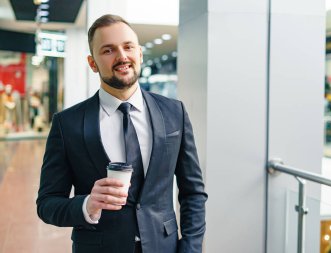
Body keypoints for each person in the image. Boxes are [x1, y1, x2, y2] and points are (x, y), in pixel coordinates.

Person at [36, 14, 207, 253]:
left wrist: (190, 248)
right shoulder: (67, 124)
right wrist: (87, 205)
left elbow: (193, 193)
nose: (122, 57)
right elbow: (47, 204)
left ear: (139, 53)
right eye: (108, 50)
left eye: (128, 47)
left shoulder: (173, 112)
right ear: (92, 62)